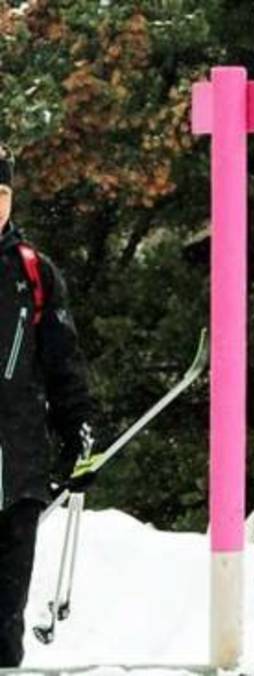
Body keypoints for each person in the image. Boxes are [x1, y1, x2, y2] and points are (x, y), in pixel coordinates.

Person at [0, 144, 96, 667]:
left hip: (18, 470)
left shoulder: (33, 272)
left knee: (5, 619)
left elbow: (64, 366)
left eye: (3, 194)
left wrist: (78, 429)